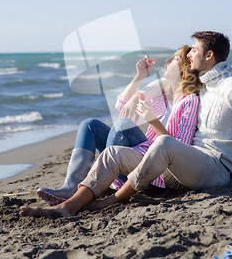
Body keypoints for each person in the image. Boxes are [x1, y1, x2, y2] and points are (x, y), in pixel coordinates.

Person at [20, 31, 232, 218]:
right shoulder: (199, 86)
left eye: (195, 52)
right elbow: (154, 89)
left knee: (163, 142)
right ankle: (69, 206)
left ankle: (113, 199)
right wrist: (140, 80)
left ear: (210, 56)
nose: (189, 56)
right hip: (182, 165)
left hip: (217, 169)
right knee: (112, 153)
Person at [36, 45, 201, 205]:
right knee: (90, 125)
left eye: (175, 58)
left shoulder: (189, 100)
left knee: (122, 124)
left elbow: (179, 150)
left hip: (153, 170)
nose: (168, 59)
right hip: (137, 157)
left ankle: (99, 185)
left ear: (184, 69)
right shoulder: (161, 96)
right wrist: (139, 77)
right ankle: (71, 187)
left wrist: (152, 120)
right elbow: (122, 106)